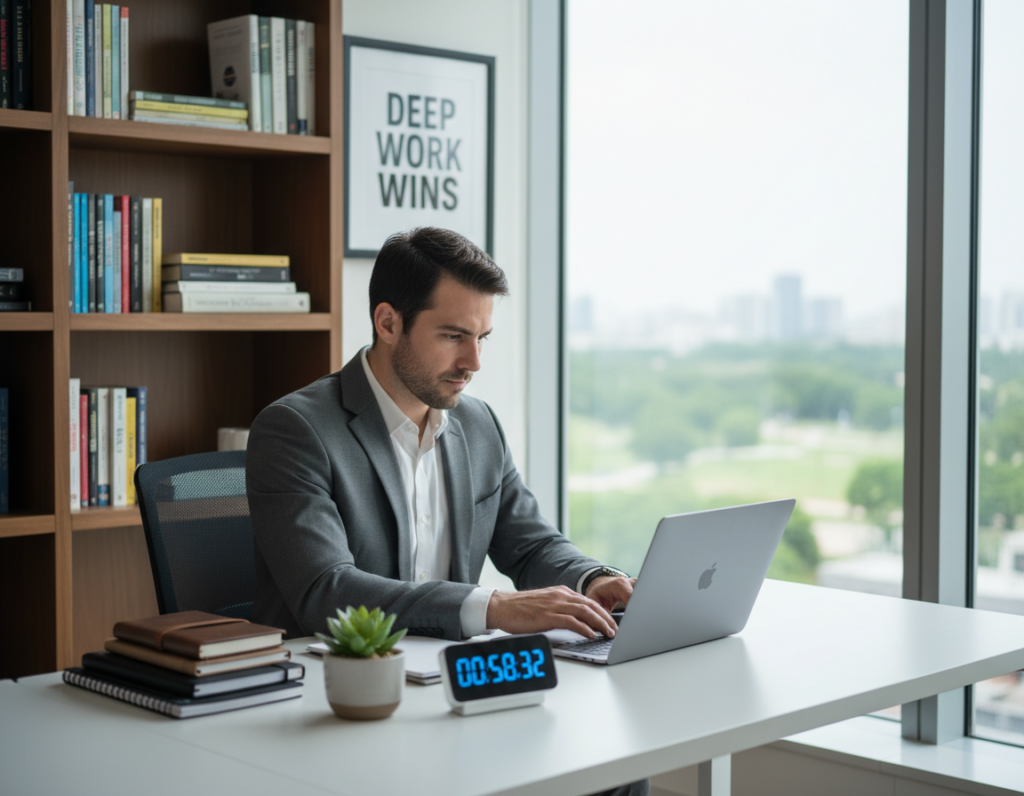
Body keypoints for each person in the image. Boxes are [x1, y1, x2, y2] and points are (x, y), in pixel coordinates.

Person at [247, 227, 647, 795]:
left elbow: (530, 544)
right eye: (455, 335)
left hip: (455, 691)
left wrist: (592, 578)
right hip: (345, 703)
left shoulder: (478, 425)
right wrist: (495, 607)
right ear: (388, 323)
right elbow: (325, 591)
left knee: (618, 772)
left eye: (483, 336)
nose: (475, 361)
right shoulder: (297, 430)